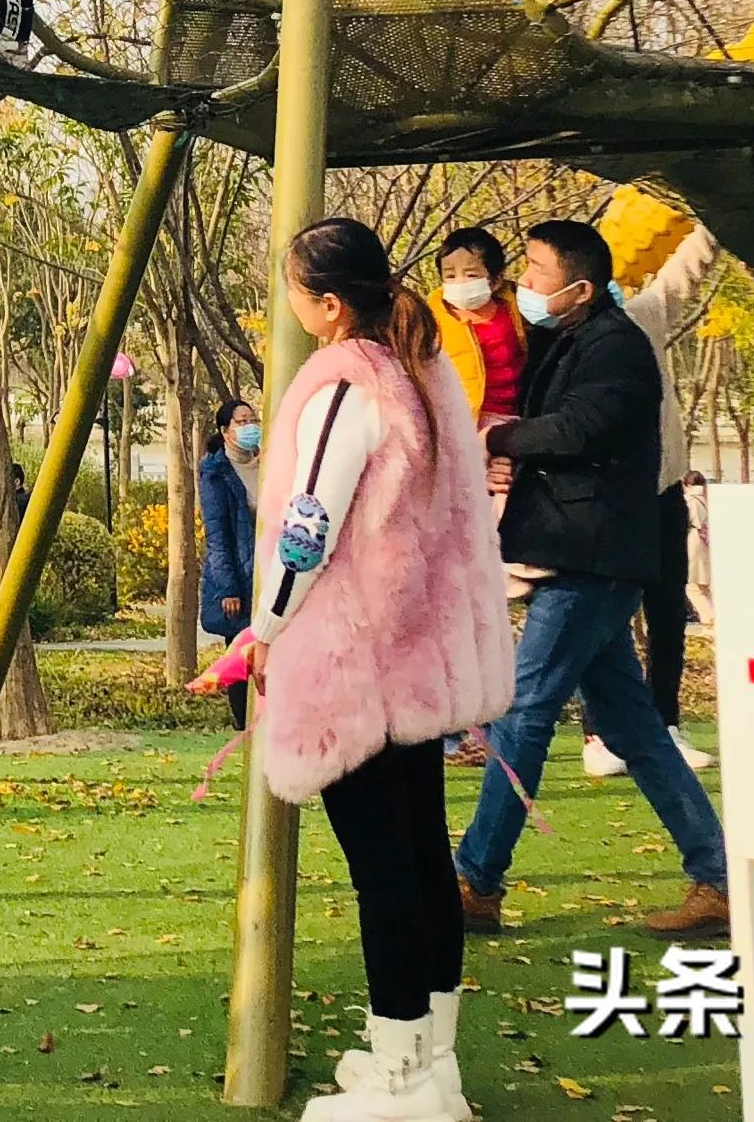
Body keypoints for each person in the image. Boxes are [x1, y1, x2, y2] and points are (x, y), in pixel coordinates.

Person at [217, 220, 509, 1122]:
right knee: (421, 856)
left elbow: (309, 523)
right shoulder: (423, 376)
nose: (293, 308)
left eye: (297, 292)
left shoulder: (347, 388)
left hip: (356, 661)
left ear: (330, 304)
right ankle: (430, 1059)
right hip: (419, 656)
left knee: (384, 871)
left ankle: (398, 1076)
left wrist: (263, 628)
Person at [454, 216, 732, 937]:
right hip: (581, 551)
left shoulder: (617, 344)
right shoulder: (569, 337)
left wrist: (503, 437)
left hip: (593, 556)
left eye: (538, 272)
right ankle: (718, 875)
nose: (525, 284)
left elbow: (584, 427)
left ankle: (476, 879)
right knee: (633, 727)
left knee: (526, 711)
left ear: (579, 288)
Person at [583, 220, 720, 781]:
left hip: (661, 490)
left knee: (666, 613)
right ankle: (600, 733)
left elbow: (687, 269)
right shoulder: (562, 336)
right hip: (605, 500)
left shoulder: (643, 315)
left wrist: (718, 214)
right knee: (603, 619)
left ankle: (665, 722)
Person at [196, 402, 261, 731]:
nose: (250, 426)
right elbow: (217, 535)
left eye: (253, 420)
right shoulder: (215, 472)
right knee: (240, 652)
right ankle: (244, 725)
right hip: (238, 577)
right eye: (242, 421)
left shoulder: (269, 462)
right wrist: (228, 589)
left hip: (268, 574)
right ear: (225, 431)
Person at [429, 229, 528, 428]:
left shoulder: (516, 309)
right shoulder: (433, 319)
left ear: (496, 280)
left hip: (515, 413)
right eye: (450, 275)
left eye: (471, 274)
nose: (460, 282)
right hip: (461, 420)